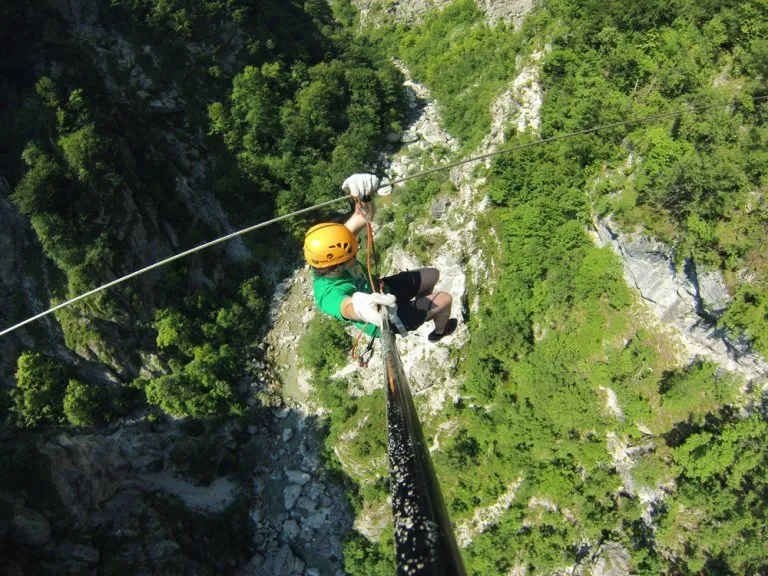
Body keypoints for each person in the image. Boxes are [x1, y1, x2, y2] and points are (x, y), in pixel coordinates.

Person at [304, 173, 458, 342]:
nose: (358, 248)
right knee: (445, 299)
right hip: (383, 318)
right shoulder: (327, 294)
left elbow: (362, 216)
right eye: (353, 253)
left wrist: (364, 196)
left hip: (383, 289)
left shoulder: (332, 249)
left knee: (432, 274)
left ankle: (421, 310)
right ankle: (439, 332)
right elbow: (347, 307)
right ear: (337, 264)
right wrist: (362, 308)